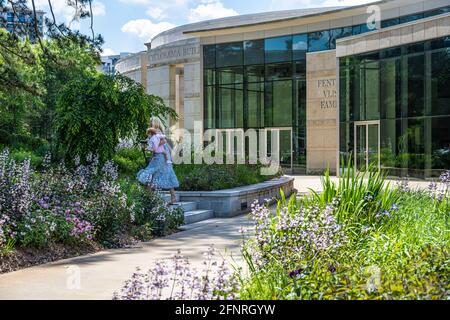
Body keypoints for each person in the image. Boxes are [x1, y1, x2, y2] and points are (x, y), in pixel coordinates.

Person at [137, 117, 179, 205]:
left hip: (161, 156)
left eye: (151, 122)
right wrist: (152, 152)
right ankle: (172, 198)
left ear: (155, 123)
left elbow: (163, 141)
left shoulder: (157, 131)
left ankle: (148, 197)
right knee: (165, 174)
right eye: (150, 122)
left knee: (150, 172)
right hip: (159, 155)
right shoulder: (153, 131)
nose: (150, 123)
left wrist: (154, 147)